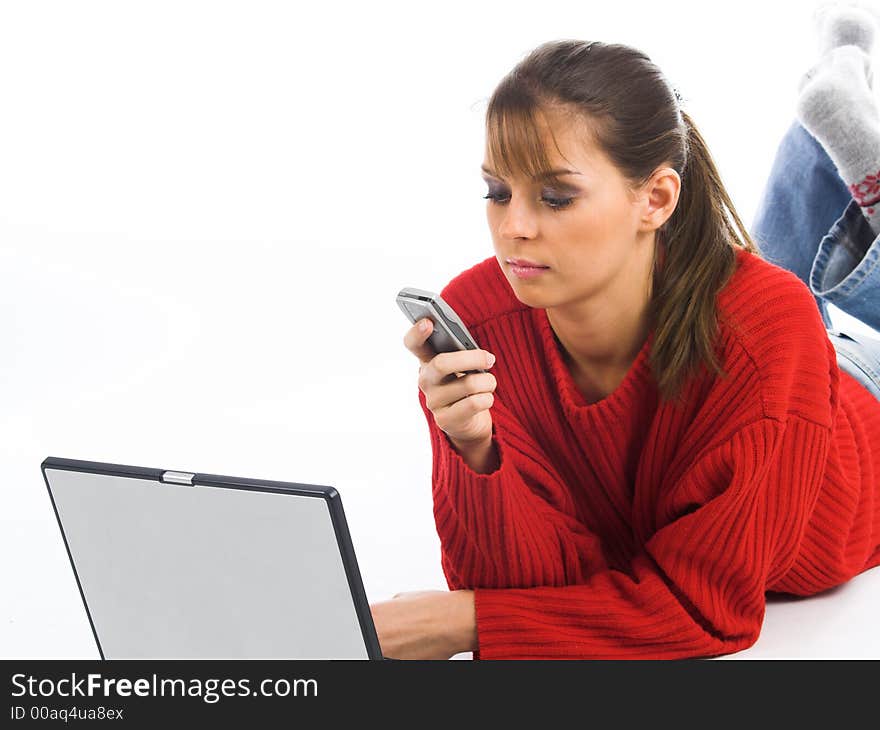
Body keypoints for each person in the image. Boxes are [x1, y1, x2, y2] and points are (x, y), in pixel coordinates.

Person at [370, 4, 880, 660]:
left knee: (773, 300)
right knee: (771, 284)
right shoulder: (479, 322)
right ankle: (827, 137)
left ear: (657, 199)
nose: (514, 228)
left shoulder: (766, 332)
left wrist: (456, 624)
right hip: (766, 362)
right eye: (497, 192)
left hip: (851, 419)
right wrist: (475, 449)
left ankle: (842, 154)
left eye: (555, 198)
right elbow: (522, 586)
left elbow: (705, 609)